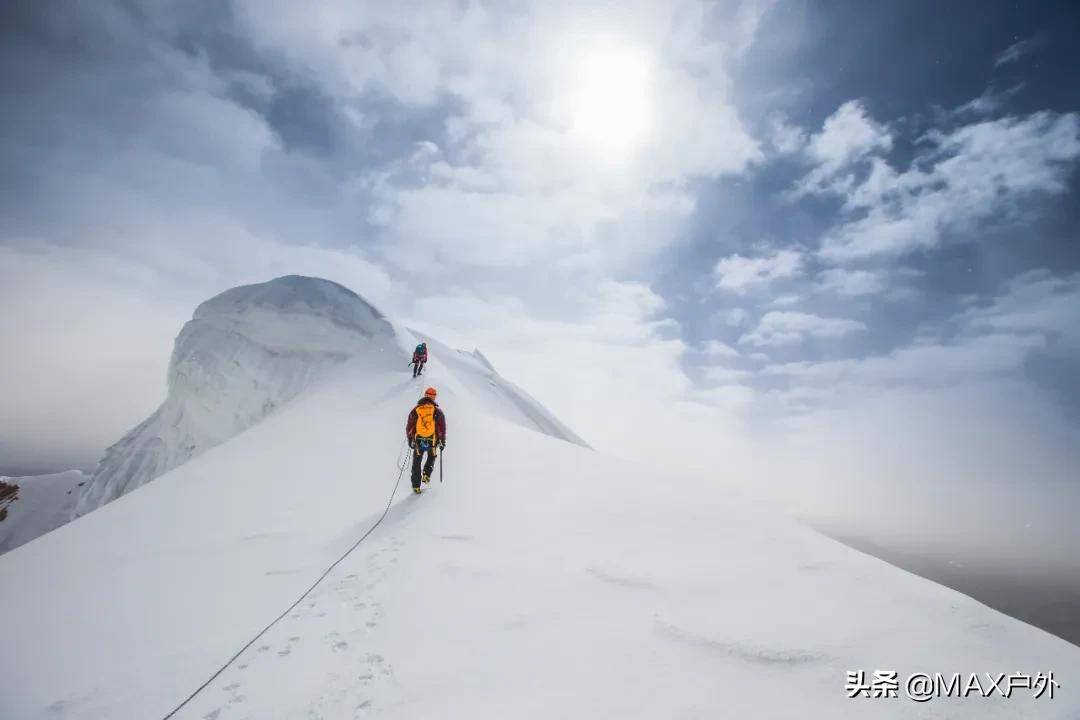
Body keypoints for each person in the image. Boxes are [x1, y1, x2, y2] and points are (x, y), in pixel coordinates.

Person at [405, 386, 446, 494]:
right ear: (434, 397)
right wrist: (442, 440)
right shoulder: (437, 411)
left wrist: (410, 438)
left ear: (425, 396)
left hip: (418, 439)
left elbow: (410, 425)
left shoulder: (416, 410)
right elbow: (442, 427)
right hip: (432, 440)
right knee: (432, 456)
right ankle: (426, 475)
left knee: (417, 462)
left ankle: (416, 486)